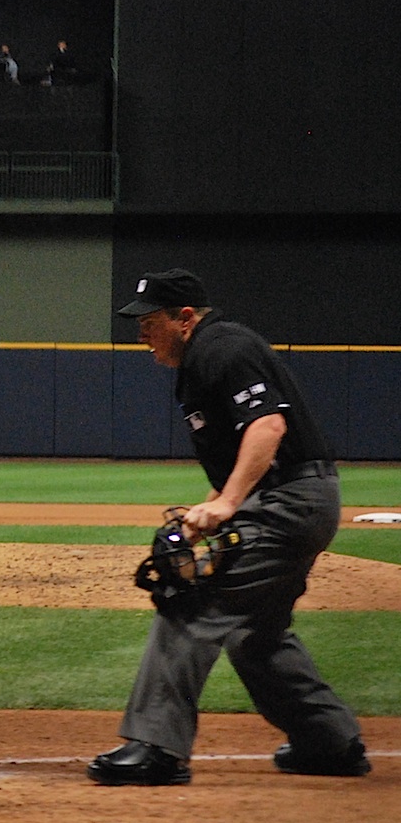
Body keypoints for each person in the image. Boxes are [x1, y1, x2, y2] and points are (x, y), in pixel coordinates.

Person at [88, 269, 370, 785]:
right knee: (254, 633)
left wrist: (229, 503)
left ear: (184, 318)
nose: (141, 333)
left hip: (287, 502)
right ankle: (328, 742)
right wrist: (214, 507)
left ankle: (156, 748)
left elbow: (268, 425)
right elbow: (245, 457)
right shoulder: (203, 357)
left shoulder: (223, 348)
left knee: (191, 605)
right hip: (294, 500)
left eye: (150, 322)